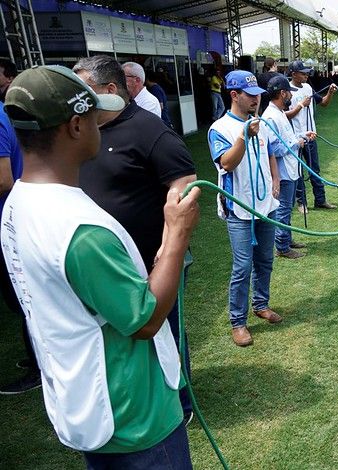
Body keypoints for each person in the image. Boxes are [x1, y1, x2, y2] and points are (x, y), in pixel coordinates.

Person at [2, 64, 199, 468]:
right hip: (134, 414)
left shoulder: (19, 203)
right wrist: (177, 236)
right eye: (95, 116)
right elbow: (144, 321)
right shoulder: (81, 232)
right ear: (76, 126)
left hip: (86, 400)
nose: (102, 125)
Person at [73, 55, 197, 422]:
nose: (77, 101)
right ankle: (135, 401)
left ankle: (180, 404)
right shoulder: (83, 130)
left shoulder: (150, 131)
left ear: (111, 91)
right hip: (107, 262)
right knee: (121, 337)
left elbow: (185, 185)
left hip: (152, 262)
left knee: (166, 333)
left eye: (84, 91)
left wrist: (167, 247)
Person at [208, 70, 283, 347]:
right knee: (242, 266)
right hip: (239, 209)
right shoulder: (219, 128)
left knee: (265, 260)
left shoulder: (259, 123)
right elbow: (226, 163)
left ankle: (261, 304)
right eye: (250, 96)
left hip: (266, 205)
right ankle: (238, 322)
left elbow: (270, 152)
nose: (256, 100)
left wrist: (275, 179)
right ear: (234, 95)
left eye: (258, 96)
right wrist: (243, 136)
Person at [0, 76, 39, 395]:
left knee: (22, 296)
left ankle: (39, 363)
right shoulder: (6, 114)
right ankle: (36, 356)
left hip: (10, 216)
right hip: (17, 214)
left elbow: (2, 179)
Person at [262, 75, 315, 260]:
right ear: (282, 93)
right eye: (289, 94)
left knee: (288, 208)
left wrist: (302, 134)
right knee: (283, 210)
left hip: (291, 170)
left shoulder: (279, 113)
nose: (291, 97)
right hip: (283, 173)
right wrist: (297, 143)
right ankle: (282, 247)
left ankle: (287, 239)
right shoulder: (270, 116)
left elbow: (287, 137)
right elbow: (274, 148)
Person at [286, 60, 337, 212]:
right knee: (298, 171)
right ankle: (301, 203)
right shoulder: (287, 90)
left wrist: (330, 93)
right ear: (294, 74)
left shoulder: (308, 87)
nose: (306, 76)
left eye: (307, 73)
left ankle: (320, 200)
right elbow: (284, 116)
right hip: (295, 138)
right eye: (303, 73)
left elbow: (323, 103)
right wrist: (301, 105)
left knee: (315, 169)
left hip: (311, 136)